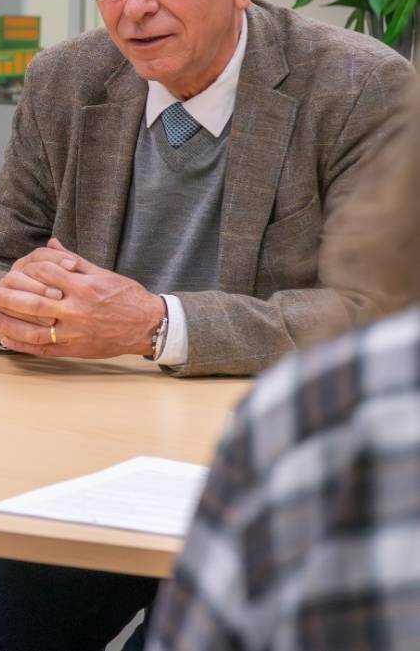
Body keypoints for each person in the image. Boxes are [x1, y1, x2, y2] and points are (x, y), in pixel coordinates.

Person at [0, 0, 413, 650]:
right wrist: (7, 310)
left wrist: (157, 323)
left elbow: (377, 312)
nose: (136, 4)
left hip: (269, 470)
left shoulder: (358, 88)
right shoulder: (68, 80)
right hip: (96, 465)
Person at [149, 91, 420, 649]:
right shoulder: (67, 78)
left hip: (220, 457)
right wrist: (18, 307)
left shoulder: (324, 407)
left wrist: (160, 322)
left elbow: (359, 303)